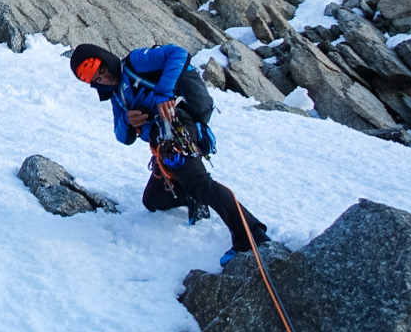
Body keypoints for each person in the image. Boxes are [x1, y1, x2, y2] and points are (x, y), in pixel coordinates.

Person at [70, 43, 269, 266]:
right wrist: (128, 121)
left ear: (106, 59)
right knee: (153, 199)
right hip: (160, 144)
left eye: (102, 70)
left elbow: (179, 53)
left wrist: (164, 94)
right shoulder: (117, 96)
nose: (104, 79)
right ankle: (193, 197)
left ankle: (252, 236)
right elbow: (122, 136)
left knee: (199, 182)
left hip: (177, 126)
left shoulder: (136, 62)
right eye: (97, 79)